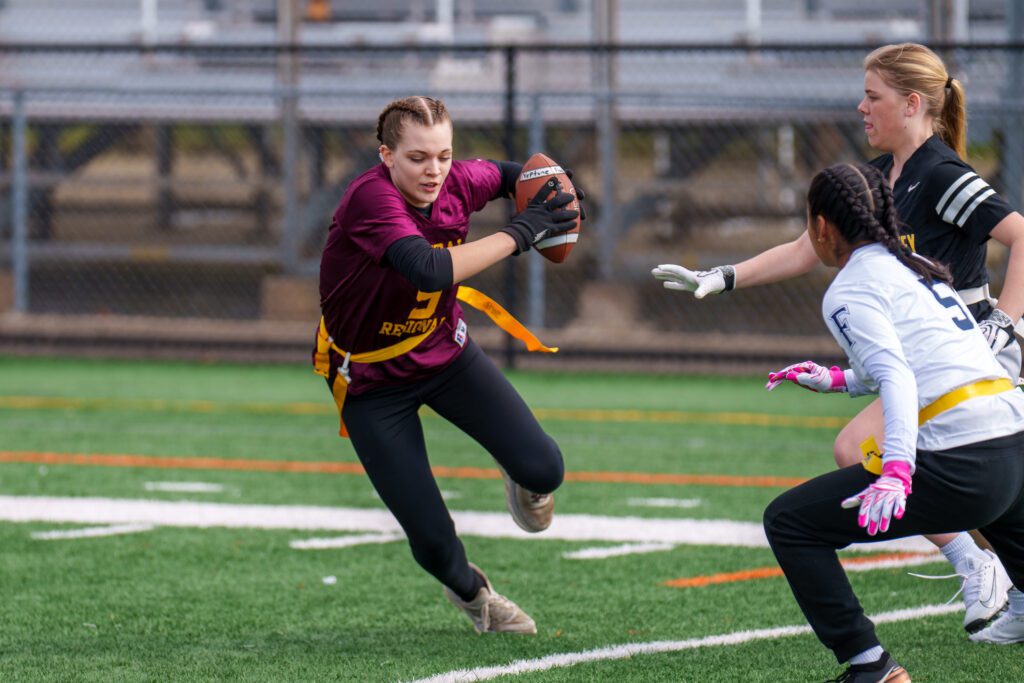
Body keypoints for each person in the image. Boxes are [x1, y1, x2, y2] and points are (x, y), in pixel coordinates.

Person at [652, 42, 1024, 632]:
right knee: (991, 487)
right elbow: (805, 247)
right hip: (938, 367)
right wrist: (721, 277)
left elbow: (1022, 235)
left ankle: (976, 565)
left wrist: (1008, 325)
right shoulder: (880, 178)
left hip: (965, 363)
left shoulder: (942, 174)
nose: (860, 107)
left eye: (872, 97)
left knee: (868, 453)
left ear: (911, 103)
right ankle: (996, 574)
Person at [313, 96, 582, 634]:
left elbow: (519, 174)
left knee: (544, 468)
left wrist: (557, 186)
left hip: (443, 351)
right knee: (432, 538)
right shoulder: (371, 197)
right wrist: (524, 230)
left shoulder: (458, 178)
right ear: (386, 155)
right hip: (371, 380)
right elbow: (430, 269)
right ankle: (475, 596)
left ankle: (517, 471)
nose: (434, 170)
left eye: (443, 155)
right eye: (417, 158)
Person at [762, 162, 1024, 682]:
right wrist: (835, 380)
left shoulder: (848, 289)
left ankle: (871, 666)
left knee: (789, 523)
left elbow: (899, 378)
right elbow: (924, 361)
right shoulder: (919, 264)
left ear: (821, 227)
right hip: (1012, 445)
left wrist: (898, 469)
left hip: (962, 465)